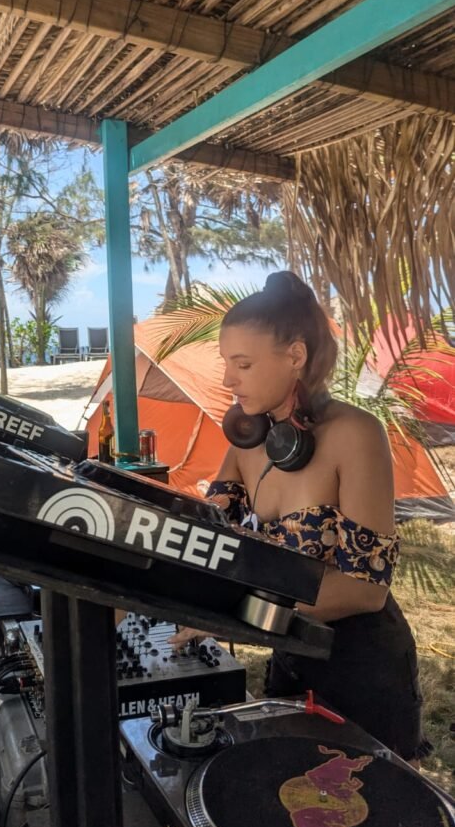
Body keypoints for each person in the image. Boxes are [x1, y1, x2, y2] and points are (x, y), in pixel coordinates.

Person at [169, 270, 429, 763]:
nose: (227, 380)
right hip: (289, 658)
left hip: (363, 669)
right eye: (226, 363)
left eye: (243, 364)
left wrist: (239, 615)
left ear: (295, 356)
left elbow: (364, 590)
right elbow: (204, 534)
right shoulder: (248, 443)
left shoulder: (356, 433)